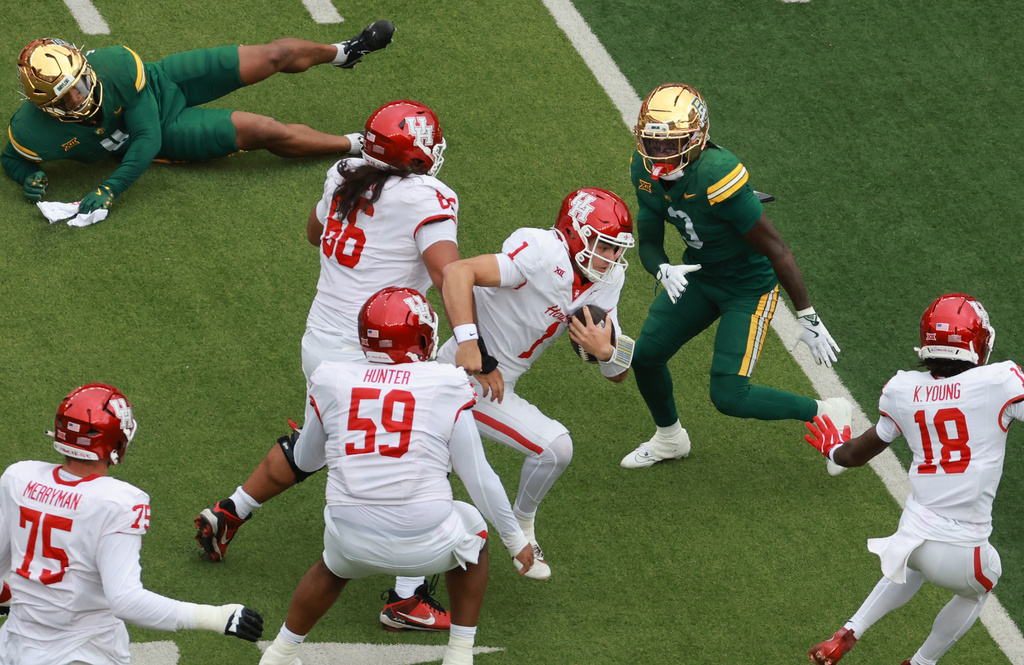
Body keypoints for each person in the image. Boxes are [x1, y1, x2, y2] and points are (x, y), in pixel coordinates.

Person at [194, 99, 460, 631]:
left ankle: (232, 510)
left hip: (322, 342)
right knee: (419, 452)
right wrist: (471, 337)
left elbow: (315, 233)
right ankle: (406, 596)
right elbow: (448, 273)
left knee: (315, 445)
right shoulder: (428, 195)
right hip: (378, 346)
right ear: (413, 157)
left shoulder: (344, 171)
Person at [258, 287, 532, 665]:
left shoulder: (332, 378)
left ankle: (279, 654)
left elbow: (305, 460)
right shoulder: (445, 383)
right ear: (420, 337)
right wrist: (516, 542)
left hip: (350, 535)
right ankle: (459, 655)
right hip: (425, 539)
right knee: (475, 533)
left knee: (331, 565)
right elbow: (479, 476)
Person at [620, 82, 852, 471]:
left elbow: (776, 248)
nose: (658, 152)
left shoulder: (716, 172)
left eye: (670, 143)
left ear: (696, 138)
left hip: (747, 287)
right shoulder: (642, 169)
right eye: (652, 142)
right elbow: (649, 240)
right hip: (700, 273)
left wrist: (807, 314)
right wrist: (661, 267)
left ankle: (826, 410)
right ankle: (669, 438)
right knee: (645, 357)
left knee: (729, 395)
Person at [803, 293, 1021, 665]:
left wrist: (833, 451)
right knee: (982, 585)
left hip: (913, 536)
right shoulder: (999, 382)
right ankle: (921, 662)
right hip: (963, 555)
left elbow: (856, 454)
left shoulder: (904, 389)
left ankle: (848, 632)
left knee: (912, 560)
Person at [441, 187, 636, 580]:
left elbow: (620, 372)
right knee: (552, 448)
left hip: (499, 383)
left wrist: (606, 353)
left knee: (553, 451)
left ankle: (521, 522)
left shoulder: (607, 278)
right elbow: (458, 272)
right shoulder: (540, 251)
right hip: (460, 378)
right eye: (605, 246)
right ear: (577, 233)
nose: (613, 258)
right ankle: (517, 534)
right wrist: (472, 348)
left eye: (617, 249)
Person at [4, 20, 395, 216]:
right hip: (169, 131)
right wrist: (29, 177)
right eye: (67, 95)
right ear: (46, 105)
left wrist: (109, 189)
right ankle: (360, 144)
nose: (81, 94)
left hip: (161, 86)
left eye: (81, 81)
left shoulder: (116, 66)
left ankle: (345, 50)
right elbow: (11, 157)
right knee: (265, 130)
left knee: (271, 56)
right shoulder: (32, 130)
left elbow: (145, 137)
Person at [0, 383, 264, 665]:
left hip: (13, 648)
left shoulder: (19, 477)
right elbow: (125, 600)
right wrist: (215, 617)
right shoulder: (118, 501)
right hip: (82, 654)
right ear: (115, 442)